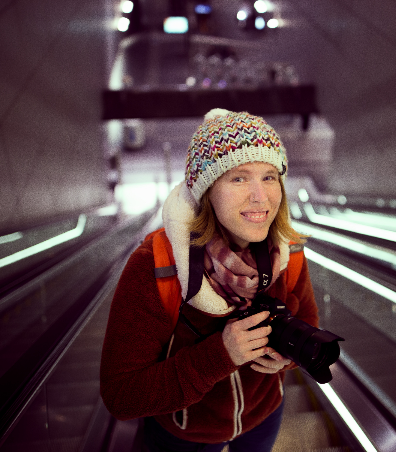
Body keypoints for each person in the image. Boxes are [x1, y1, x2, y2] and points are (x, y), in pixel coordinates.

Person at [100, 109, 319, 452]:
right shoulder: (157, 266)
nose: (261, 197)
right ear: (206, 190)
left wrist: (287, 357)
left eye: (269, 176)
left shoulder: (286, 253)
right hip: (184, 437)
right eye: (239, 178)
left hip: (264, 418)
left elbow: (308, 321)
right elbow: (121, 395)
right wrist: (220, 355)